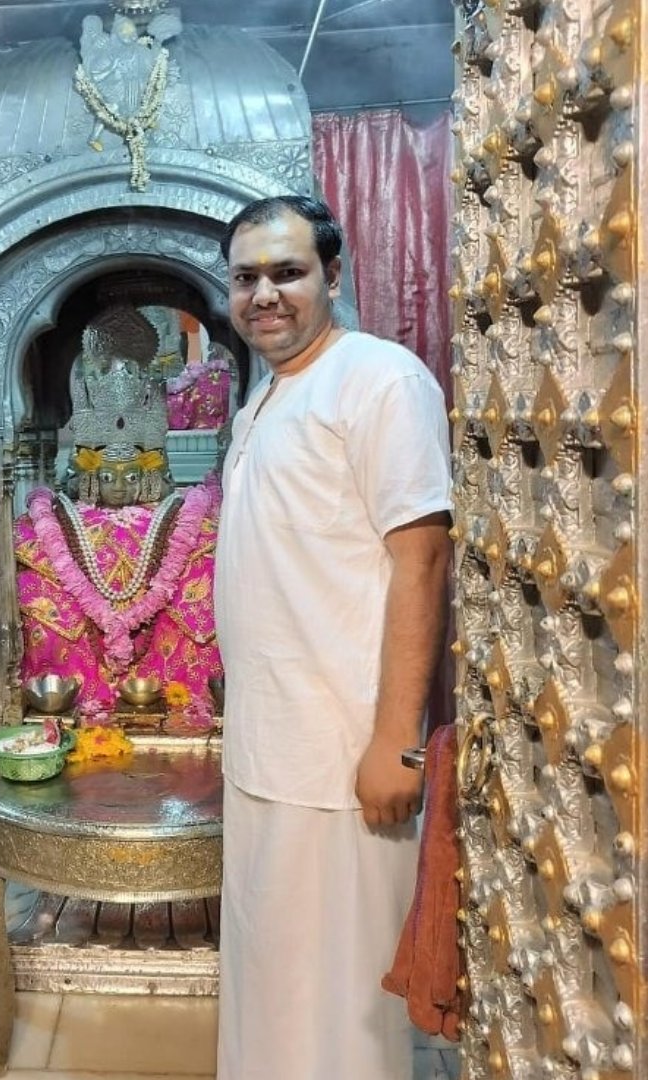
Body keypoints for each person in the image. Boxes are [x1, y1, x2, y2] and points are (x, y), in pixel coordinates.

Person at [214, 195, 451, 1079]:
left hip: (343, 760)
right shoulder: (269, 395)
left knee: (340, 1013)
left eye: (288, 272)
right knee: (271, 986)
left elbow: (421, 559)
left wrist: (396, 742)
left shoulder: (378, 380)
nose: (265, 295)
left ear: (334, 277)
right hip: (268, 754)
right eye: (246, 278)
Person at [14, 307, 222, 723]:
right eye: (107, 473)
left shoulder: (188, 517)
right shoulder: (48, 522)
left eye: (133, 474)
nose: (121, 489)